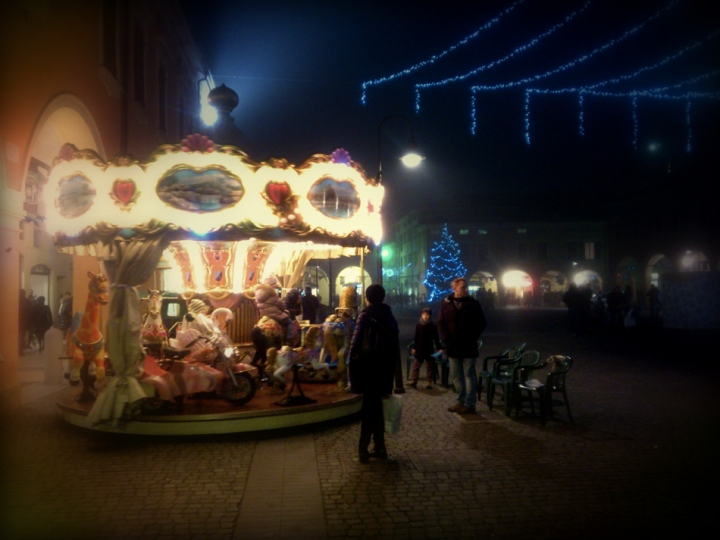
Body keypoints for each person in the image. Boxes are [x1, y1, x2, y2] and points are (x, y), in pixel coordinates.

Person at [348, 284, 399, 464]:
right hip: (385, 369)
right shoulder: (390, 316)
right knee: (377, 409)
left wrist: (351, 363)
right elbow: (395, 346)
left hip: (369, 368)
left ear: (368, 297)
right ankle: (380, 447)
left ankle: (363, 449)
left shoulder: (366, 314)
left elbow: (356, 341)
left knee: (369, 410)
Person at [437, 277, 487, 415]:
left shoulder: (473, 304)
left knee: (469, 375)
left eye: (466, 287)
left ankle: (470, 404)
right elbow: (440, 323)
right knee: (457, 376)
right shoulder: (446, 303)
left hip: (468, 345)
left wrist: (472, 337)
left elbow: (481, 323)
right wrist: (446, 339)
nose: (466, 289)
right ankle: (460, 402)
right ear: (454, 288)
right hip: (453, 345)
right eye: (463, 287)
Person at [408, 307, 442, 389]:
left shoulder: (433, 326)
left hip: (429, 348)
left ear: (430, 315)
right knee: (416, 366)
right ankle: (414, 381)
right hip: (420, 348)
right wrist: (414, 347)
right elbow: (416, 337)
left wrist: (439, 348)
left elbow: (436, 338)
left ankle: (429, 382)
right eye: (423, 314)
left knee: (429, 366)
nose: (425, 316)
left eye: (427, 314)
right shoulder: (419, 325)